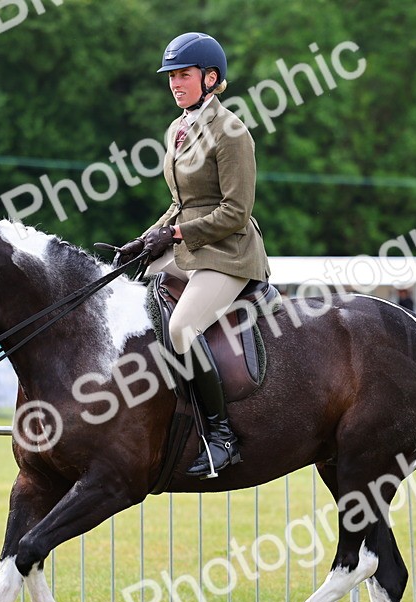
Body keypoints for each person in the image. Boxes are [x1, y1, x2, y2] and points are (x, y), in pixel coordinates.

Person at [119, 32, 270, 480]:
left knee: (183, 327)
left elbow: (236, 212)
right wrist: (145, 240)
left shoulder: (232, 132)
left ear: (210, 77)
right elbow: (180, 203)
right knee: (120, 283)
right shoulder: (178, 128)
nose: (174, 84)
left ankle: (221, 438)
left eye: (183, 75)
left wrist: (176, 232)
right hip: (189, 245)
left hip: (229, 254)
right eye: (171, 76)